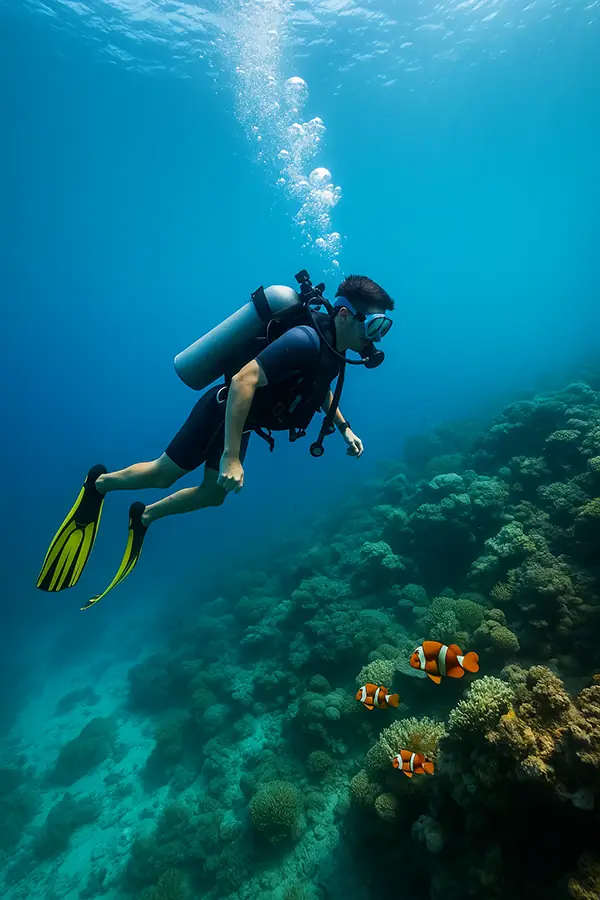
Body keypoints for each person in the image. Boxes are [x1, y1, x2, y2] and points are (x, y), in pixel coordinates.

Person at [36, 273, 394, 609]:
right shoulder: (306, 340)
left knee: (213, 494)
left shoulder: (332, 350)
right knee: (163, 474)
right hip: (222, 410)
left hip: (244, 421)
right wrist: (231, 457)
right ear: (344, 315)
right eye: (374, 325)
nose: (376, 337)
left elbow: (319, 388)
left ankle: (144, 516)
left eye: (383, 327)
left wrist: (344, 428)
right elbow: (243, 380)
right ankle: (98, 484)